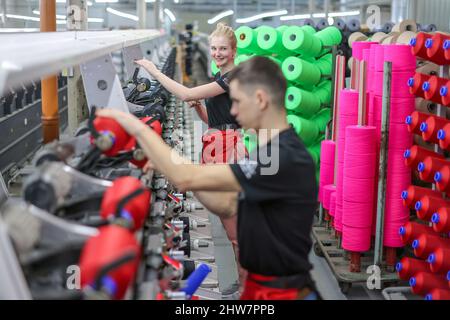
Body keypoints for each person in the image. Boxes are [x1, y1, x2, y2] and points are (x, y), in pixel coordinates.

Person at [98, 56, 319, 300]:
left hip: (283, 292)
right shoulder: (271, 151)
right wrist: (178, 171)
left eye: (236, 102)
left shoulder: (280, 158)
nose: (232, 111)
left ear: (259, 99)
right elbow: (227, 206)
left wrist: (136, 127)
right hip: (262, 287)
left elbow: (185, 178)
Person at [135, 22, 246, 294]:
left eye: (223, 49)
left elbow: (184, 93)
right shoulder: (221, 78)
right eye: (215, 48)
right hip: (218, 143)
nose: (218, 53)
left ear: (233, 51)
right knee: (227, 219)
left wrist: (153, 70)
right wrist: (199, 110)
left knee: (236, 231)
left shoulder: (231, 78)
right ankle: (243, 282)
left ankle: (248, 288)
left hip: (228, 150)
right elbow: (217, 120)